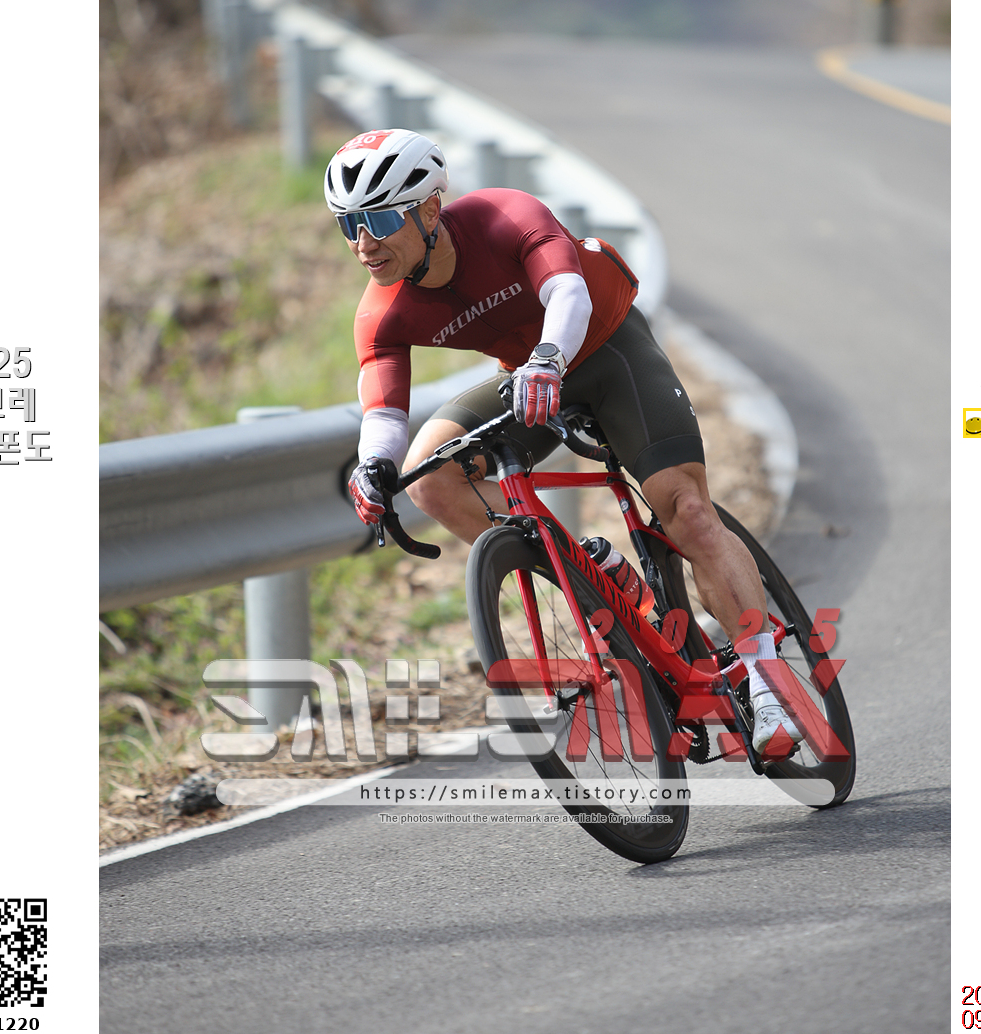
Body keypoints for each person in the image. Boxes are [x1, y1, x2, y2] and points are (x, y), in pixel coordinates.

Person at [328, 127, 800, 755]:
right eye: (349, 224)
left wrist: (549, 358)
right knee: (429, 477)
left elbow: (567, 292)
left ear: (431, 209)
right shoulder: (381, 311)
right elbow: (384, 410)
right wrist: (372, 467)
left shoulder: (503, 214)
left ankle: (766, 681)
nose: (364, 243)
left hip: (608, 349)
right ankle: (593, 579)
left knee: (686, 509)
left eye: (381, 219)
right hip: (528, 377)